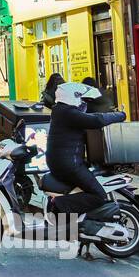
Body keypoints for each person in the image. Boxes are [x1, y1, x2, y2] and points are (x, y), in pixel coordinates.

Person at [45, 81, 126, 229]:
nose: (82, 102)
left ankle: (77, 219)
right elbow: (97, 120)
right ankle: (60, 204)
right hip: (69, 164)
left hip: (60, 162)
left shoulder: (60, 111)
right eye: (80, 98)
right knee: (99, 195)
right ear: (72, 97)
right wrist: (120, 115)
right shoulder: (68, 113)